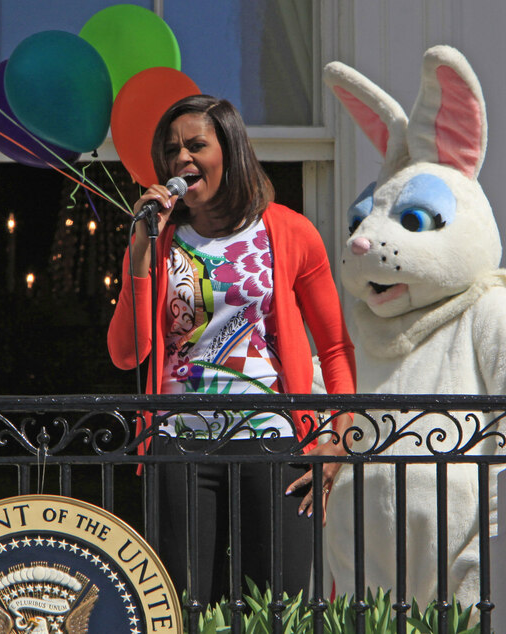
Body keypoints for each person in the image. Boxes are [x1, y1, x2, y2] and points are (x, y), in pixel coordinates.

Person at [107, 95, 355, 605]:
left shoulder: (288, 232)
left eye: (196, 145)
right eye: (172, 150)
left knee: (276, 606)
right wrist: (138, 255)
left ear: (232, 151)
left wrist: (340, 441)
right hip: (178, 442)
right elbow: (126, 354)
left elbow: (334, 348)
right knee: (181, 606)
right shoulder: (162, 238)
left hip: (271, 441)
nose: (182, 159)